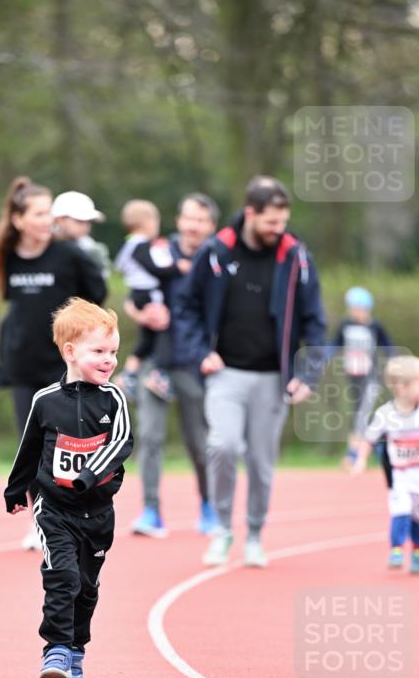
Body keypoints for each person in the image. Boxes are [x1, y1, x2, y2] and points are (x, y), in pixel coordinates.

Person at [179, 175, 327, 567]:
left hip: (274, 378)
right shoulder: (215, 252)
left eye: (283, 221)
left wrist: (308, 374)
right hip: (225, 372)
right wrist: (199, 353)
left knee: (261, 464)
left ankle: (255, 534)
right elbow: (186, 307)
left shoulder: (296, 257)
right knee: (223, 445)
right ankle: (222, 530)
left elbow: (315, 322)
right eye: (271, 222)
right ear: (250, 213)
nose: (279, 229)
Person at [4, 298, 133, 678]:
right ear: (71, 352)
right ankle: (56, 648)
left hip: (98, 514)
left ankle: (76, 649)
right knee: (62, 575)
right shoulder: (45, 401)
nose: (109, 360)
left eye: (113, 352)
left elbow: (122, 442)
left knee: (87, 588)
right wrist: (15, 489)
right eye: (99, 351)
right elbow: (29, 448)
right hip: (54, 510)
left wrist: (89, 475)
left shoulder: (114, 399)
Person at [0, 176, 107, 549]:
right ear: (18, 219)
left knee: (69, 446)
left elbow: (97, 296)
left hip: (64, 365)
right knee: (33, 448)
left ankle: (78, 518)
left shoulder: (69, 254)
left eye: (48, 212)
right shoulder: (10, 256)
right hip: (23, 366)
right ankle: (41, 521)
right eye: (37, 214)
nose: (46, 220)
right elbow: (12, 304)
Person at [126, 193, 220, 537]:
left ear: (211, 226)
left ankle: (209, 506)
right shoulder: (160, 252)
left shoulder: (218, 260)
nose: (193, 226)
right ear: (179, 221)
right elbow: (133, 295)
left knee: (199, 442)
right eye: (188, 218)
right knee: (149, 437)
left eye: (201, 220)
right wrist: (142, 313)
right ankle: (151, 511)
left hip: (196, 364)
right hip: (157, 361)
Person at [351, 355, 419, 574]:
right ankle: (397, 549)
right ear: (402, 387)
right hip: (399, 475)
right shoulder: (385, 414)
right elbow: (369, 439)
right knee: (400, 509)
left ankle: (418, 551)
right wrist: (361, 460)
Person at [114, 199, 191, 404]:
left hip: (139, 294)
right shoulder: (140, 244)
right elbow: (155, 269)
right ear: (146, 222)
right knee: (163, 331)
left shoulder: (128, 244)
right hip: (149, 295)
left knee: (147, 339)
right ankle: (158, 375)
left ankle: (128, 375)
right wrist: (178, 267)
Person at [328, 286, 394, 467]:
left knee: (361, 414)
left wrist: (393, 362)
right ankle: (380, 448)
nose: (354, 312)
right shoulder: (345, 325)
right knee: (361, 414)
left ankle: (354, 453)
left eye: (357, 308)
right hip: (353, 377)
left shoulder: (375, 326)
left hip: (371, 377)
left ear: (366, 308)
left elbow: (388, 346)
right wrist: (323, 358)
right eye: (351, 308)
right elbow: (334, 344)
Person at [51, 190, 111, 280]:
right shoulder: (42, 243)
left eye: (88, 221)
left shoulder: (88, 246)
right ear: (59, 219)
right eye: (79, 221)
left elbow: (100, 281)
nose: (85, 226)